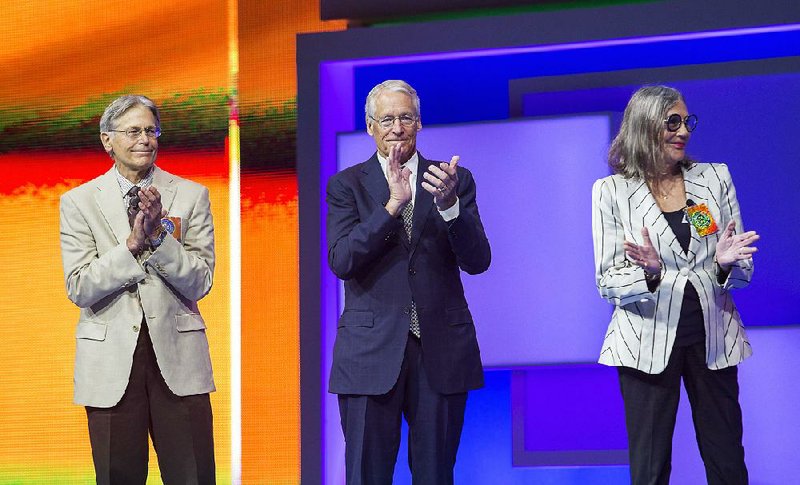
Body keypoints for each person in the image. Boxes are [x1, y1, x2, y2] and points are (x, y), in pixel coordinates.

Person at [591, 85, 759, 485]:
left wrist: (723, 264)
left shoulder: (712, 180)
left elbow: (740, 266)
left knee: (728, 463)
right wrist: (650, 273)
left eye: (686, 122)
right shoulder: (612, 192)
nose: (683, 131)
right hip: (646, 342)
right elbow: (608, 280)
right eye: (672, 122)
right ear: (645, 127)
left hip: (712, 337)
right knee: (650, 470)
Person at [326, 80, 491, 484]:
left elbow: (478, 260)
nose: (397, 127)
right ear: (370, 127)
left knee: (436, 475)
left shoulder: (452, 180)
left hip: (440, 349)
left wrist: (450, 206)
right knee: (367, 474)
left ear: (419, 123)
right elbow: (342, 259)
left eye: (405, 118)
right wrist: (392, 205)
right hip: (370, 352)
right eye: (387, 119)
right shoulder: (346, 185)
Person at [60, 95, 216, 484]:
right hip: (112, 364)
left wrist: (159, 241)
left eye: (151, 130)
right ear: (107, 141)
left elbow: (201, 280)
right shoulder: (79, 202)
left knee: (193, 475)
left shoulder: (191, 195)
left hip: (179, 362)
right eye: (133, 131)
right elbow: (79, 285)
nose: (144, 139)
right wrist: (130, 246)